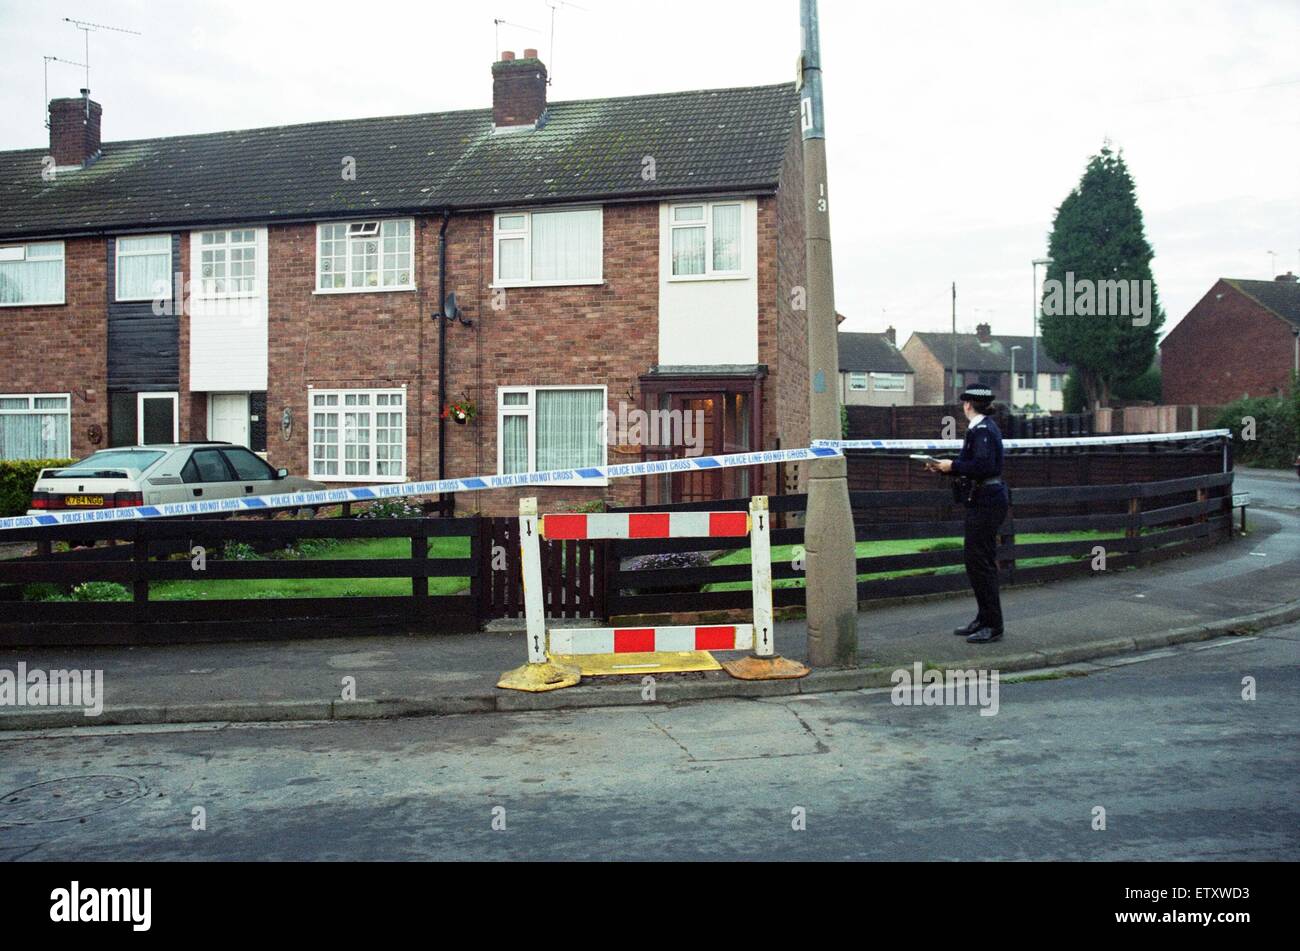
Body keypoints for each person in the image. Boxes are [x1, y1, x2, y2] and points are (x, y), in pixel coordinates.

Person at [925, 385, 1009, 643]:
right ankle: (984, 618)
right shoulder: (981, 429)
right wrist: (946, 468)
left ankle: (992, 624)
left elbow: (983, 465)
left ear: (968, 405)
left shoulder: (982, 430)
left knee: (981, 562)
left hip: (987, 501)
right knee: (976, 562)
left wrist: (954, 465)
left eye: (964, 403)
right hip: (984, 499)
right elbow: (975, 465)